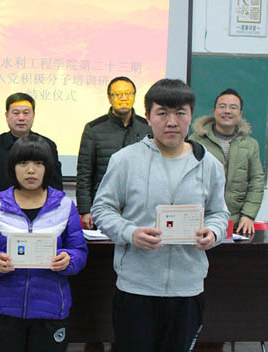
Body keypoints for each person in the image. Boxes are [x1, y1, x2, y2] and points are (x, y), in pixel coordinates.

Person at [91, 79, 229, 352]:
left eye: (180, 113)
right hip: (137, 287)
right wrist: (130, 233)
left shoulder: (208, 164)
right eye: (162, 113)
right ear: (148, 117)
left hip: (187, 288)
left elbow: (219, 213)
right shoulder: (125, 160)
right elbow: (102, 209)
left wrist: (213, 232)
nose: (172, 122)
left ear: (191, 116)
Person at [0, 134, 87, 352]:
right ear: (12, 167)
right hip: (5, 310)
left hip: (51, 310)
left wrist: (69, 259)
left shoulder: (64, 206)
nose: (31, 170)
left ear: (48, 168)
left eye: (39, 163)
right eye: (23, 163)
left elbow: (79, 250)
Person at [76, 76, 151, 229]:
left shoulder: (147, 127)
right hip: (105, 203)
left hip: (140, 205)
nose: (123, 98)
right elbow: (84, 173)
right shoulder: (94, 129)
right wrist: (85, 210)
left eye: (128, 93)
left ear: (134, 96)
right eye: (117, 94)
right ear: (109, 98)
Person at [0, 92, 63, 221]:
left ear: (33, 115)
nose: (21, 118)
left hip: (40, 217)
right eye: (16, 113)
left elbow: (55, 187)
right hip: (1, 215)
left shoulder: (47, 145)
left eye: (26, 113)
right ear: (6, 116)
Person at [189, 88, 264, 235]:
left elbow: (256, 181)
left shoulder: (251, 145)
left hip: (237, 223)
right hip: (203, 221)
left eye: (233, 107)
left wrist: (248, 215)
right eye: (222, 106)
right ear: (214, 111)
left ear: (240, 113)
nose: (227, 111)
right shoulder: (195, 141)